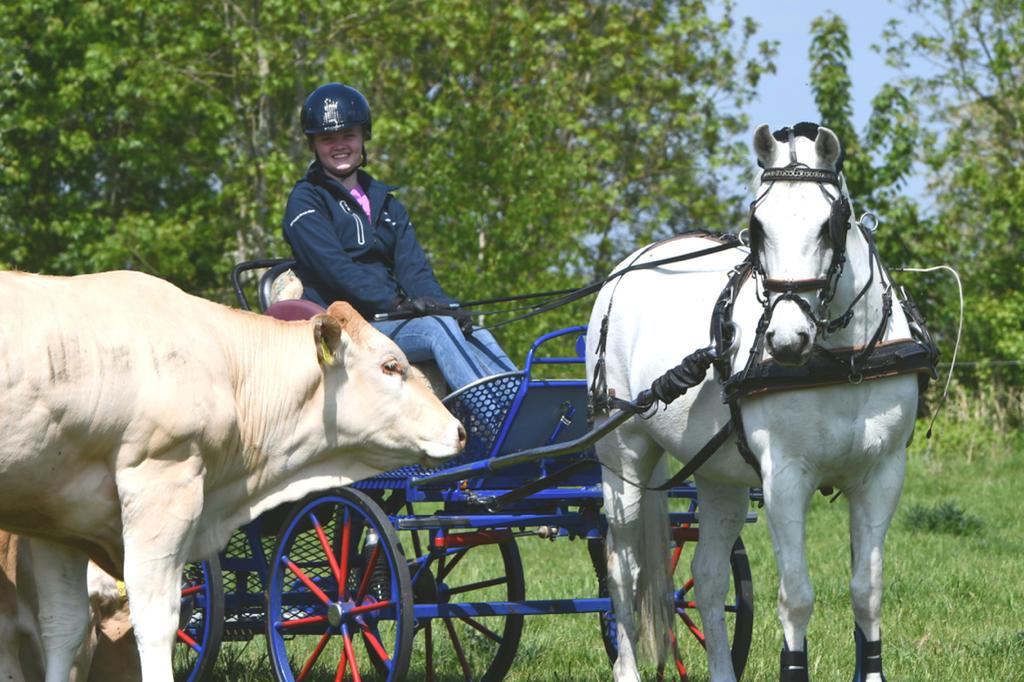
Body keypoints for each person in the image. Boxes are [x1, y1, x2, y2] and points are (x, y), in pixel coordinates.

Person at [281, 82, 515, 391]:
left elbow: (415, 272)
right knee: (437, 330)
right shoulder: (305, 200)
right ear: (314, 144)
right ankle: (494, 412)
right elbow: (336, 269)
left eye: (348, 135)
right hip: (345, 326)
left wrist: (445, 306)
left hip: (386, 320)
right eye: (328, 139)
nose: (339, 145)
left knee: (473, 332)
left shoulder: (387, 204)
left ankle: (526, 402)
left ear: (363, 137)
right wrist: (395, 304)